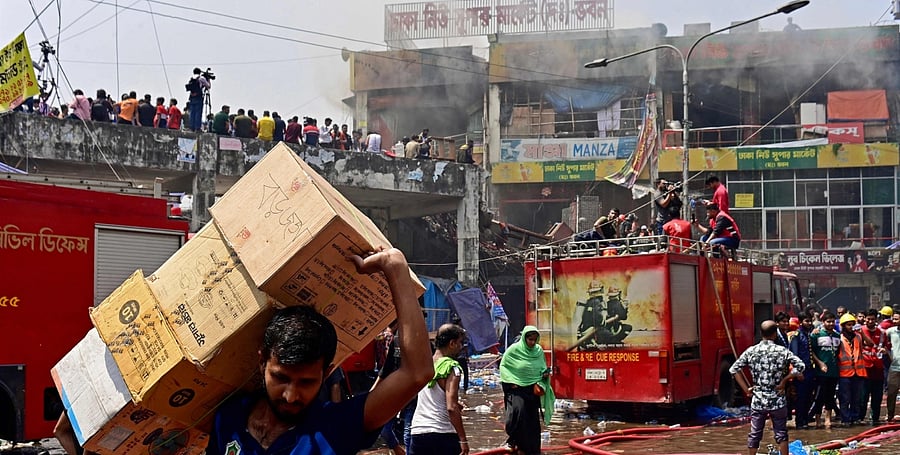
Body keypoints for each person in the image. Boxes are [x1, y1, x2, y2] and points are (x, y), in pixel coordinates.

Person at [208, 247, 433, 455]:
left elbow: (417, 373)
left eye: (306, 382)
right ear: (262, 363)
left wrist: (395, 267)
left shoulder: (335, 426)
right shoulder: (229, 417)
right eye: (280, 377)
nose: (290, 395)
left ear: (326, 374)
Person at [730, 320, 805, 455]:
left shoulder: (751, 351)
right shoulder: (782, 351)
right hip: (777, 399)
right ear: (775, 334)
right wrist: (785, 380)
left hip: (758, 399)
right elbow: (801, 366)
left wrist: (746, 388)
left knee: (755, 433)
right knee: (781, 432)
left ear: (761, 333)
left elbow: (734, 370)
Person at [409, 323, 468, 455]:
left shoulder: (424, 365)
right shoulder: (453, 368)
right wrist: (463, 440)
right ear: (452, 343)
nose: (461, 347)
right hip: (442, 433)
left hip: (418, 432)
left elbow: (427, 395)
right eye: (460, 343)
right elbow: (451, 407)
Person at [499, 326, 554, 455]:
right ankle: (514, 441)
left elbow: (541, 367)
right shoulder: (514, 350)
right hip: (517, 390)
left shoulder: (538, 351)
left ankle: (531, 450)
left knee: (531, 422)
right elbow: (504, 366)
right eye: (530, 339)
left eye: (535, 340)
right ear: (524, 338)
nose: (532, 342)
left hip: (531, 391)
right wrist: (510, 382)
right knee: (517, 414)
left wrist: (544, 375)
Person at [836, 312, 873, 427]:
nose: (851, 327)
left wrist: (862, 333)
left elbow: (870, 344)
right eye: (848, 325)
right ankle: (846, 419)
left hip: (858, 372)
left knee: (857, 398)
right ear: (843, 326)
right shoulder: (839, 338)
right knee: (845, 398)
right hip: (845, 373)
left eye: (852, 324)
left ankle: (855, 418)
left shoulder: (858, 336)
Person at [789, 310, 816, 429]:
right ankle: (800, 422)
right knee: (801, 397)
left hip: (810, 370)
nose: (809, 323)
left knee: (809, 397)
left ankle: (805, 420)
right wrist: (797, 371)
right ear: (800, 322)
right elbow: (794, 355)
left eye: (810, 320)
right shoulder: (796, 336)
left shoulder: (809, 334)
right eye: (806, 321)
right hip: (801, 371)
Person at [861, 309, 887, 424]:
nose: (870, 321)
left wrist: (884, 350)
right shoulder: (859, 331)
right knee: (863, 396)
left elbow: (887, 347)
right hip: (864, 368)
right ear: (865, 319)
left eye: (872, 319)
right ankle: (860, 418)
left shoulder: (882, 333)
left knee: (877, 397)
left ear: (876, 319)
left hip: (878, 369)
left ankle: (875, 419)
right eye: (868, 319)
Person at [885, 319, 900, 422]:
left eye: (897, 319)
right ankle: (890, 416)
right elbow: (883, 342)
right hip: (895, 367)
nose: (895, 321)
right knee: (891, 393)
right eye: (893, 318)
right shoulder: (890, 331)